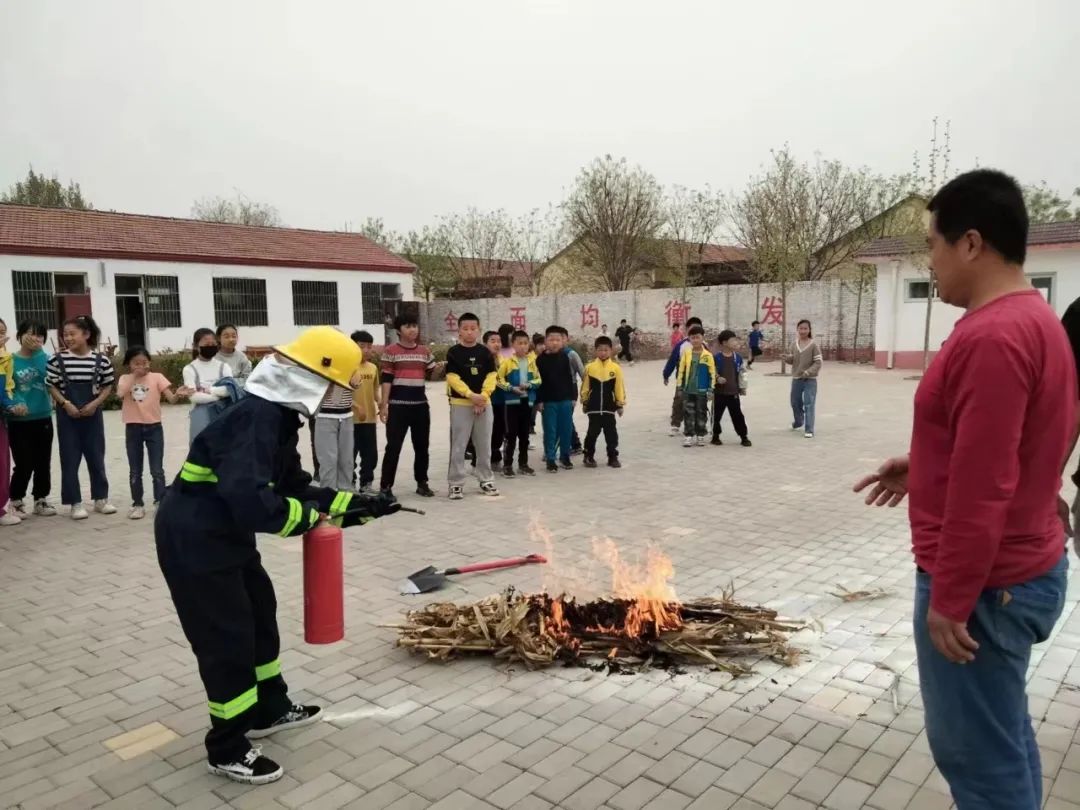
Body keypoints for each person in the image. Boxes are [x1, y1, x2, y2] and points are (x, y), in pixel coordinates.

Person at [853, 169, 1075, 810]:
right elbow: (1018, 448)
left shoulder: (992, 336)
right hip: (1015, 569)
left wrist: (950, 600)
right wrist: (923, 466)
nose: (931, 260)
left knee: (976, 759)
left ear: (971, 243)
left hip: (986, 587)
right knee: (1001, 740)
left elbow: (986, 487)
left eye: (932, 245)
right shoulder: (1034, 320)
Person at [156, 326, 401, 786]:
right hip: (196, 537)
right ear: (309, 377)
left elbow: (291, 487)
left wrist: (358, 505)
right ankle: (227, 746)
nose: (333, 392)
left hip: (224, 534)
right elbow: (252, 502)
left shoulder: (280, 419)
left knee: (259, 616)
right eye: (332, 383)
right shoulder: (257, 418)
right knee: (226, 637)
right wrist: (311, 520)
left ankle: (269, 707)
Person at [46, 315, 115, 520]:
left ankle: (100, 499)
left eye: (72, 334)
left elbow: (107, 385)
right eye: (65, 334)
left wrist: (95, 404)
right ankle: (75, 503)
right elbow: (51, 385)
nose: (67, 338)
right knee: (69, 459)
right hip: (67, 417)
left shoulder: (101, 360)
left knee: (96, 456)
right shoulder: (56, 359)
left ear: (86, 334)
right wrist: (65, 404)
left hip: (93, 416)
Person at [117, 347, 191, 519]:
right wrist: (134, 376)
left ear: (149, 362)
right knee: (135, 470)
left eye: (144, 362)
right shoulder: (125, 378)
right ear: (129, 364)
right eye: (136, 363)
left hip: (154, 428)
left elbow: (171, 399)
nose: (141, 366)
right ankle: (137, 504)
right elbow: (120, 394)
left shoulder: (157, 377)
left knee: (157, 469)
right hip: (133, 428)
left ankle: (160, 502)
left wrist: (178, 394)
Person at [379, 314, 436, 502]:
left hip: (420, 406)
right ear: (398, 331)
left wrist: (443, 366)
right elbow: (386, 379)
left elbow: (432, 375)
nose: (413, 329)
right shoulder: (390, 351)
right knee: (393, 447)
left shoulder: (424, 352)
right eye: (408, 326)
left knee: (422, 447)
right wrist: (384, 404)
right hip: (398, 407)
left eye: (415, 325)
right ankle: (386, 487)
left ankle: (422, 482)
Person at [445, 313, 499, 500]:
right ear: (459, 330)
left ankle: (485, 478)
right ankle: (456, 482)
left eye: (473, 328)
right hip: (461, 404)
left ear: (479, 329)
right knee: (459, 444)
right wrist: (471, 396)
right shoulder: (453, 352)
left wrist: (483, 397)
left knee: (484, 444)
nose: (469, 332)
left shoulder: (485, 352)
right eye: (465, 328)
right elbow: (452, 377)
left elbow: (492, 376)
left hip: (484, 404)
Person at [8, 320, 56, 518]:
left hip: (43, 417)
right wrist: (17, 404)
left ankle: (41, 499)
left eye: (39, 335)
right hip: (18, 421)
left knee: (43, 461)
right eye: (30, 333)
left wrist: (37, 354)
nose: (35, 338)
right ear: (20, 335)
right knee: (24, 462)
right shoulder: (9, 360)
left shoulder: (45, 358)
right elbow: (8, 387)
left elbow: (50, 379)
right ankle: (16, 500)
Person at [312, 347, 359, 491]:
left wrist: (353, 378)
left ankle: (346, 496)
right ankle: (328, 496)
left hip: (346, 417)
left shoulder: (350, 365)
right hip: (325, 417)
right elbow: (314, 388)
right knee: (328, 461)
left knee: (346, 461)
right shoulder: (318, 364)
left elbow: (356, 383)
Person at [496, 330, 540, 477]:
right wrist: (511, 388)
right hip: (511, 402)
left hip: (527, 402)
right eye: (519, 343)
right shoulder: (507, 362)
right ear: (513, 345)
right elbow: (498, 380)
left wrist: (529, 385)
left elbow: (539, 380)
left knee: (524, 435)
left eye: (525, 343)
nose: (523, 346)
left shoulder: (532, 362)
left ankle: (523, 464)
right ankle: (507, 465)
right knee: (511, 434)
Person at [580, 336, 626, 469]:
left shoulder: (616, 368)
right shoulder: (590, 368)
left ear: (611, 351)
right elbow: (585, 387)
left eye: (606, 350)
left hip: (608, 408)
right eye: (600, 350)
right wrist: (584, 402)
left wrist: (619, 404)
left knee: (611, 434)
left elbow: (619, 387)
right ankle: (588, 455)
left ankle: (612, 457)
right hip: (593, 408)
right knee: (592, 433)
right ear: (595, 351)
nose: (603, 352)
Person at [535, 326, 576, 473]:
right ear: (545, 341)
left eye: (557, 340)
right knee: (550, 431)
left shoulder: (565, 357)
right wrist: (539, 401)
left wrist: (572, 397)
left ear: (562, 341)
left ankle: (565, 456)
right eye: (551, 340)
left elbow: (569, 378)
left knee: (566, 429)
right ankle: (551, 459)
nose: (554, 343)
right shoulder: (540, 360)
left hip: (565, 400)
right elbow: (537, 382)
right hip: (548, 401)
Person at [184, 328, 233, 445]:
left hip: (223, 416)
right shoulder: (190, 369)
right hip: (201, 417)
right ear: (196, 346)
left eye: (213, 344)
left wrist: (208, 390)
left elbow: (229, 389)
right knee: (201, 450)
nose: (210, 346)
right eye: (206, 344)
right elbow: (194, 397)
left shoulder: (224, 367)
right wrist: (217, 396)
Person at [662, 315, 703, 436]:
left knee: (698, 402)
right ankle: (675, 424)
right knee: (679, 401)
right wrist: (666, 374)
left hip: (698, 380)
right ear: (687, 330)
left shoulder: (704, 346)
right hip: (683, 380)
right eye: (692, 328)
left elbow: (710, 363)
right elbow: (672, 361)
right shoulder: (681, 345)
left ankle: (695, 425)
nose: (694, 331)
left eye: (697, 328)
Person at [350, 331, 380, 493]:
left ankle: (366, 484)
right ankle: (350, 483)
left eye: (369, 347)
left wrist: (382, 405)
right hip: (351, 420)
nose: (366, 350)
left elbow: (376, 391)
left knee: (370, 455)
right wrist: (355, 406)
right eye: (362, 346)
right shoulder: (347, 367)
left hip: (369, 419)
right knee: (350, 455)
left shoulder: (373, 368)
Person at [782, 320, 822, 438]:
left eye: (805, 328)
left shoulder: (814, 345)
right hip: (796, 378)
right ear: (797, 330)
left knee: (809, 404)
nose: (803, 331)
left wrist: (809, 372)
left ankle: (809, 429)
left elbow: (818, 362)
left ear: (809, 330)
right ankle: (798, 421)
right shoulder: (794, 344)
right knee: (795, 402)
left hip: (810, 380)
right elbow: (793, 360)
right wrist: (787, 358)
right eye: (801, 328)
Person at [712, 330, 751, 447]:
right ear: (724, 343)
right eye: (732, 340)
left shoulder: (737, 358)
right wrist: (717, 378)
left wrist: (743, 387)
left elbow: (742, 373)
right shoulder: (716, 358)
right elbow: (711, 371)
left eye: (736, 340)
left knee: (738, 415)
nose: (735, 342)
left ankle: (744, 436)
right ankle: (715, 436)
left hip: (733, 393)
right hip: (719, 393)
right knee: (716, 416)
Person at [677, 325, 715, 447]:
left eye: (697, 337)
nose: (695, 340)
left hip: (702, 391)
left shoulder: (708, 355)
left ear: (702, 338)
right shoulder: (687, 353)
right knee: (688, 412)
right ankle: (688, 435)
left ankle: (700, 435)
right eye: (692, 338)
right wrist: (679, 387)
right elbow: (681, 371)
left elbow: (712, 373)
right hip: (689, 389)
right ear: (689, 339)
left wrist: (711, 389)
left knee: (701, 413)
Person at [0, 319, 21, 526]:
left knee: (2, 463)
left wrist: (13, 404)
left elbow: (7, 388)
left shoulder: (5, 358)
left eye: (2, 332)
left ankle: (2, 508)